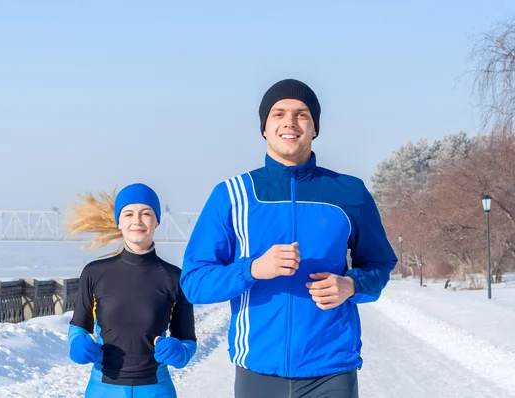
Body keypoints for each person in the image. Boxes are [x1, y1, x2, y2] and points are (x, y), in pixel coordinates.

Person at [180, 79, 397, 397]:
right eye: (278, 113)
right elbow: (194, 282)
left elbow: (380, 263)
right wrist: (252, 269)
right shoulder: (232, 196)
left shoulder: (350, 193)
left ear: (314, 128)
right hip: (258, 371)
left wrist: (351, 285)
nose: (290, 122)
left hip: (331, 371)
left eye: (301, 114)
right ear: (264, 128)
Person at [65, 183, 197, 398]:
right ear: (119, 221)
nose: (137, 220)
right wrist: (77, 343)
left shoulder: (175, 278)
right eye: (128, 214)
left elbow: (187, 340)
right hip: (102, 389)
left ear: (157, 221)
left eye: (146, 213)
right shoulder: (94, 273)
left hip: (157, 389)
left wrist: (180, 352)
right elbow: (79, 325)